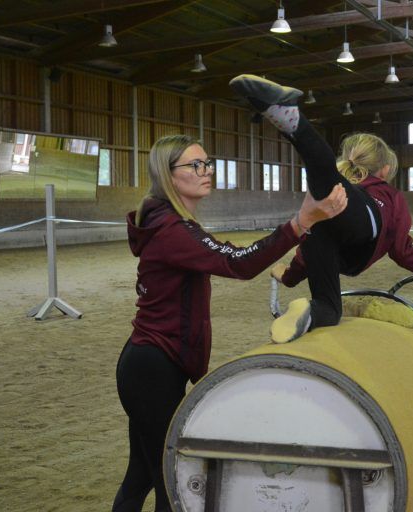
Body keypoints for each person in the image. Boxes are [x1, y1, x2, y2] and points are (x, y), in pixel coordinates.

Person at [112, 134, 347, 512]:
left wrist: (302, 220)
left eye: (207, 164)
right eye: (195, 166)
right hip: (151, 369)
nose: (206, 172)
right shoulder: (171, 230)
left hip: (151, 362)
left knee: (142, 473)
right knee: (171, 481)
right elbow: (238, 263)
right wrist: (301, 222)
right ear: (168, 175)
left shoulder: (172, 223)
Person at [229, 74, 413, 343]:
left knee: (322, 201)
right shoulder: (388, 194)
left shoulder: (344, 193)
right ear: (384, 169)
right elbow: (400, 247)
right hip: (361, 229)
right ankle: (288, 116)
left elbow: (306, 253)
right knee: (328, 190)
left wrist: (289, 277)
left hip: (331, 237)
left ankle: (281, 115)